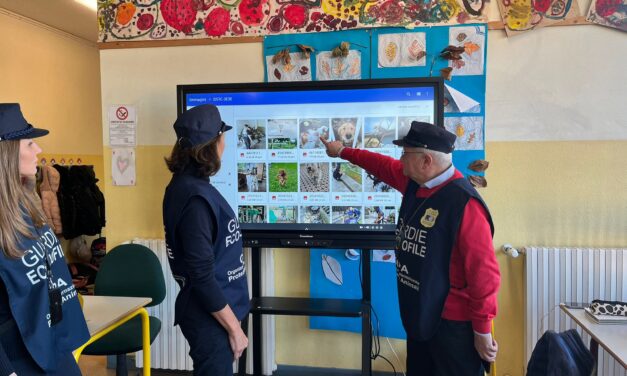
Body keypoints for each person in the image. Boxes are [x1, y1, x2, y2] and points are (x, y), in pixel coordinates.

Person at [321, 121, 500, 376]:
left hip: (452, 325)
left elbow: (485, 275)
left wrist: (482, 330)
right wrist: (341, 151)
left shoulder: (464, 205)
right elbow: (379, 165)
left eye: (405, 153)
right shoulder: (417, 183)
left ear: (426, 160)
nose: (400, 159)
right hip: (420, 316)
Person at [0, 103, 90, 375]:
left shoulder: (28, 204)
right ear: (7, 154)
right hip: (16, 357)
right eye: (29, 144)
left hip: (51, 344)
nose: (38, 150)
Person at [162, 104, 249, 376]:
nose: (225, 143)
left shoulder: (187, 186)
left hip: (215, 311)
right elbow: (201, 274)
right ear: (212, 146)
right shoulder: (195, 199)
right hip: (209, 316)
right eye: (222, 136)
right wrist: (234, 329)